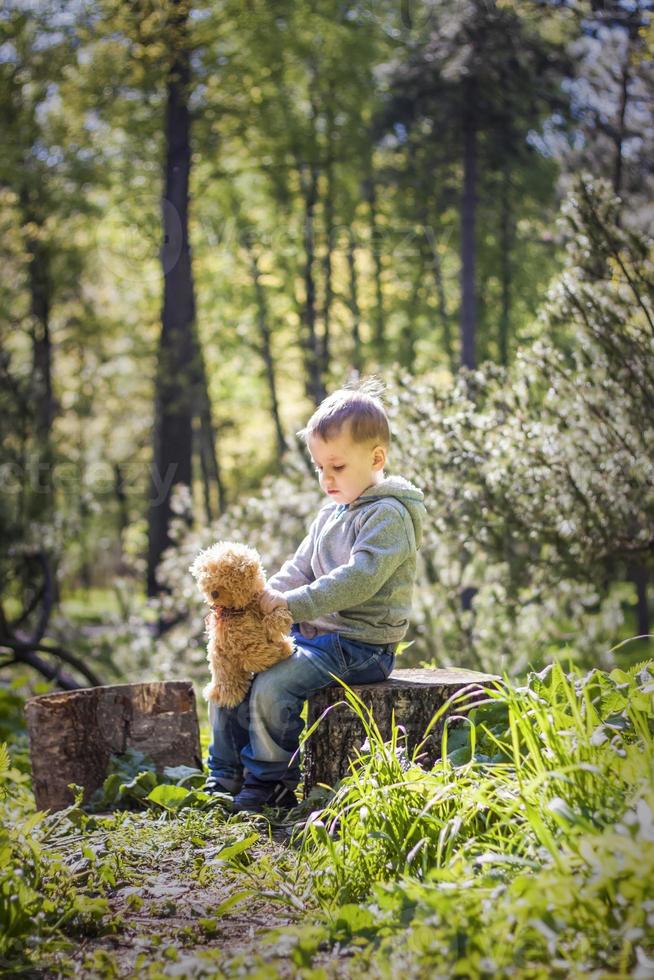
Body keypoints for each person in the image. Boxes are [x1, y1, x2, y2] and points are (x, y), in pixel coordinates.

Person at [203, 379, 426, 813]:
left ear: (376, 458)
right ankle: (225, 776)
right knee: (236, 671)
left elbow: (358, 578)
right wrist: (259, 599)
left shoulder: (388, 515)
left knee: (273, 685)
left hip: (360, 645)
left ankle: (272, 784)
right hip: (317, 639)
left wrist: (293, 606)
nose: (326, 478)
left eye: (337, 467)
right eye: (319, 467)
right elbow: (299, 567)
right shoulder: (331, 513)